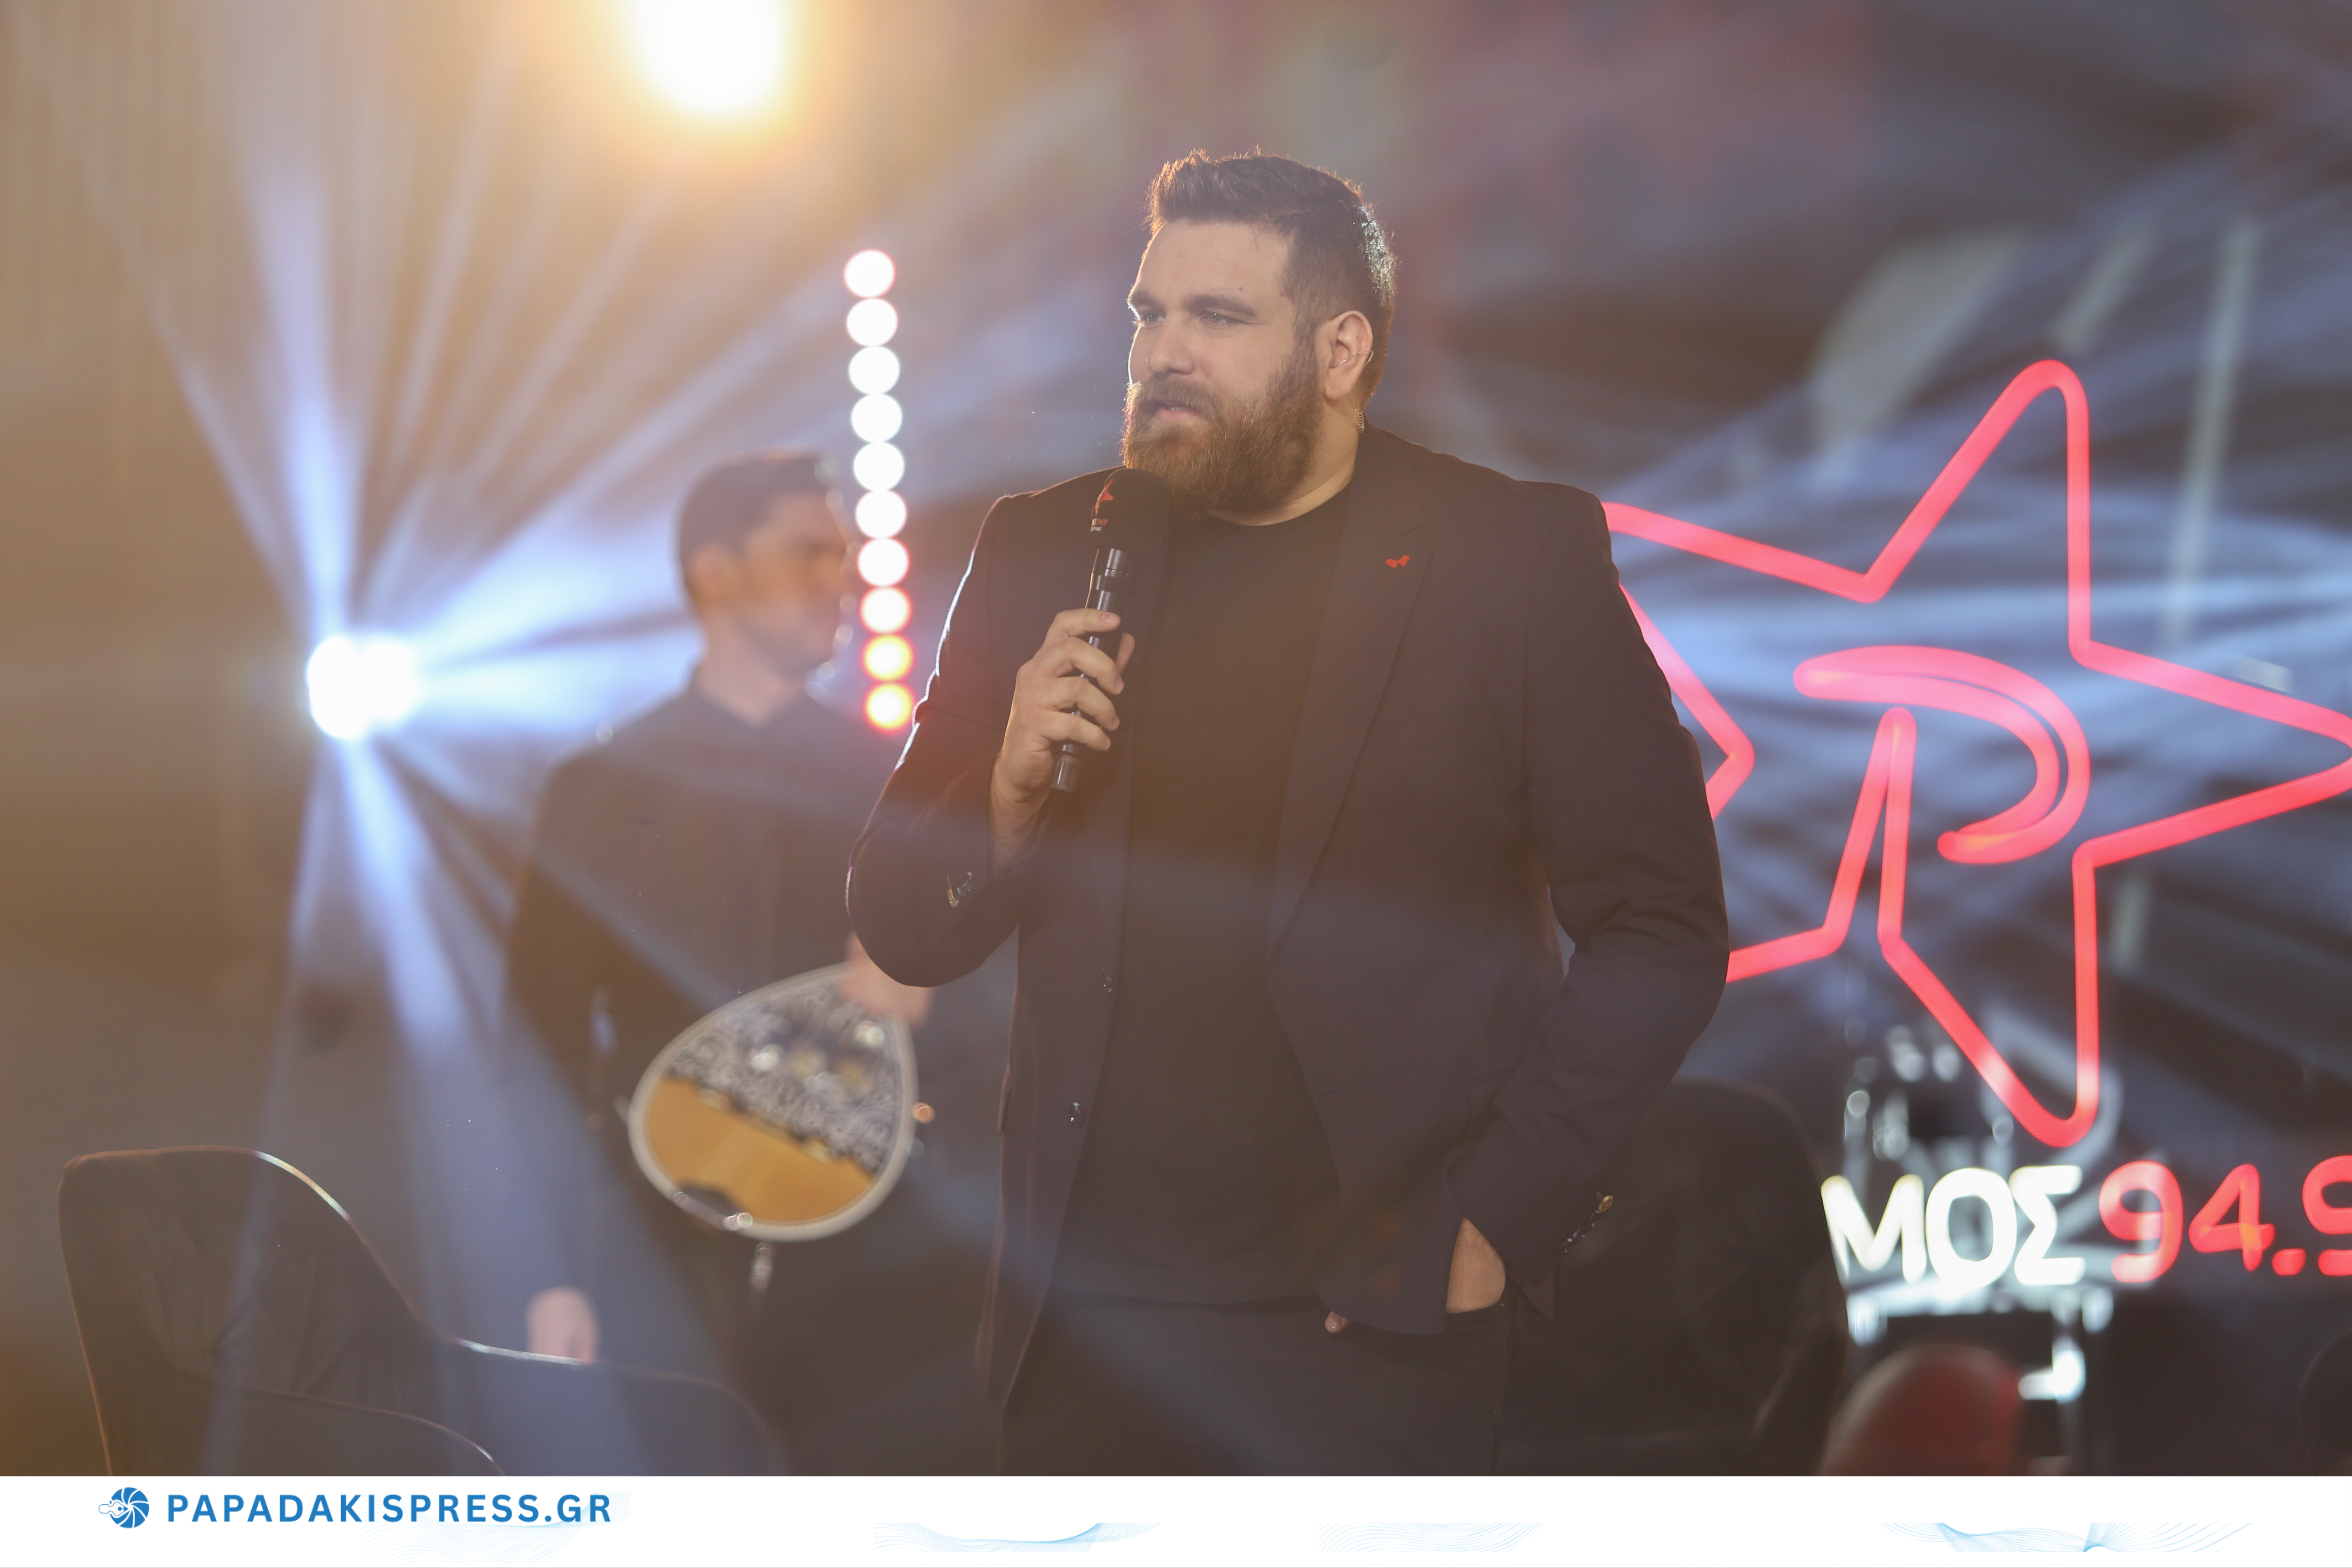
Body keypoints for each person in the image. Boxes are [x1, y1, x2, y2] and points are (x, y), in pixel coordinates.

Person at [848, 151, 1729, 1475]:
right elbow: (904, 925)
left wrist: (1498, 1215)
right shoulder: (1043, 548)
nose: (1163, 352)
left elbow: (1661, 927)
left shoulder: (1505, 557)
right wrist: (1008, 792)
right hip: (1080, 1325)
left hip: (1370, 1324)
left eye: (1217, 317)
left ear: (1339, 351)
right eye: (1150, 313)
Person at [501, 449, 955, 1466]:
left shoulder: (895, 779)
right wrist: (551, 1274)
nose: (837, 579)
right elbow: (536, 1046)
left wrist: (935, 981)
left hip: (877, 1264)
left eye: (841, 555)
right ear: (713, 572)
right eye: (804, 552)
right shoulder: (598, 787)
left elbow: (1012, 1005)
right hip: (662, 1256)